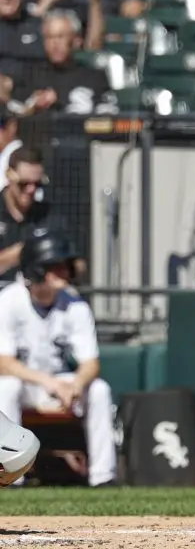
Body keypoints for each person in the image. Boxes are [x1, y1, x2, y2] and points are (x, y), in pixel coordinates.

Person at [0, 230, 117, 487]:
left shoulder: (75, 303)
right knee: (5, 386)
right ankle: (11, 478)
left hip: (61, 386)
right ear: (36, 270)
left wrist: (75, 385)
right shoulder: (9, 300)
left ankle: (103, 477)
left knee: (98, 390)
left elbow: (91, 364)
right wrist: (48, 383)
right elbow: (4, 363)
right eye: (55, 267)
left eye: (65, 266)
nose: (64, 271)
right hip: (28, 383)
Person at [0, 148, 68, 284]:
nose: (31, 190)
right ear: (9, 176)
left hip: (39, 298)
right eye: (24, 184)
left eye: (37, 184)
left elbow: (77, 264)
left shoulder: (48, 214)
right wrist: (19, 254)